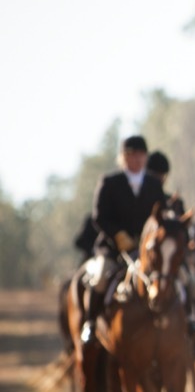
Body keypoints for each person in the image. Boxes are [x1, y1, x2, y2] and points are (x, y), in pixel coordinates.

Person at [77, 135, 166, 344]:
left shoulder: (154, 184)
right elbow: (99, 216)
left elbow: (160, 216)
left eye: (141, 155)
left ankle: (188, 321)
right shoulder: (109, 182)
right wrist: (118, 236)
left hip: (146, 250)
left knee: (174, 277)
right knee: (100, 278)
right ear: (124, 157)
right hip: (113, 249)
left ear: (145, 157)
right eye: (132, 155)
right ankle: (90, 323)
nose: (137, 159)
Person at [144, 150, 195, 350]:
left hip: (170, 260)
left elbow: (184, 234)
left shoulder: (174, 202)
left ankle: (193, 323)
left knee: (194, 285)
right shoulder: (140, 199)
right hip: (142, 256)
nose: (158, 179)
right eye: (154, 175)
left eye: (161, 176)